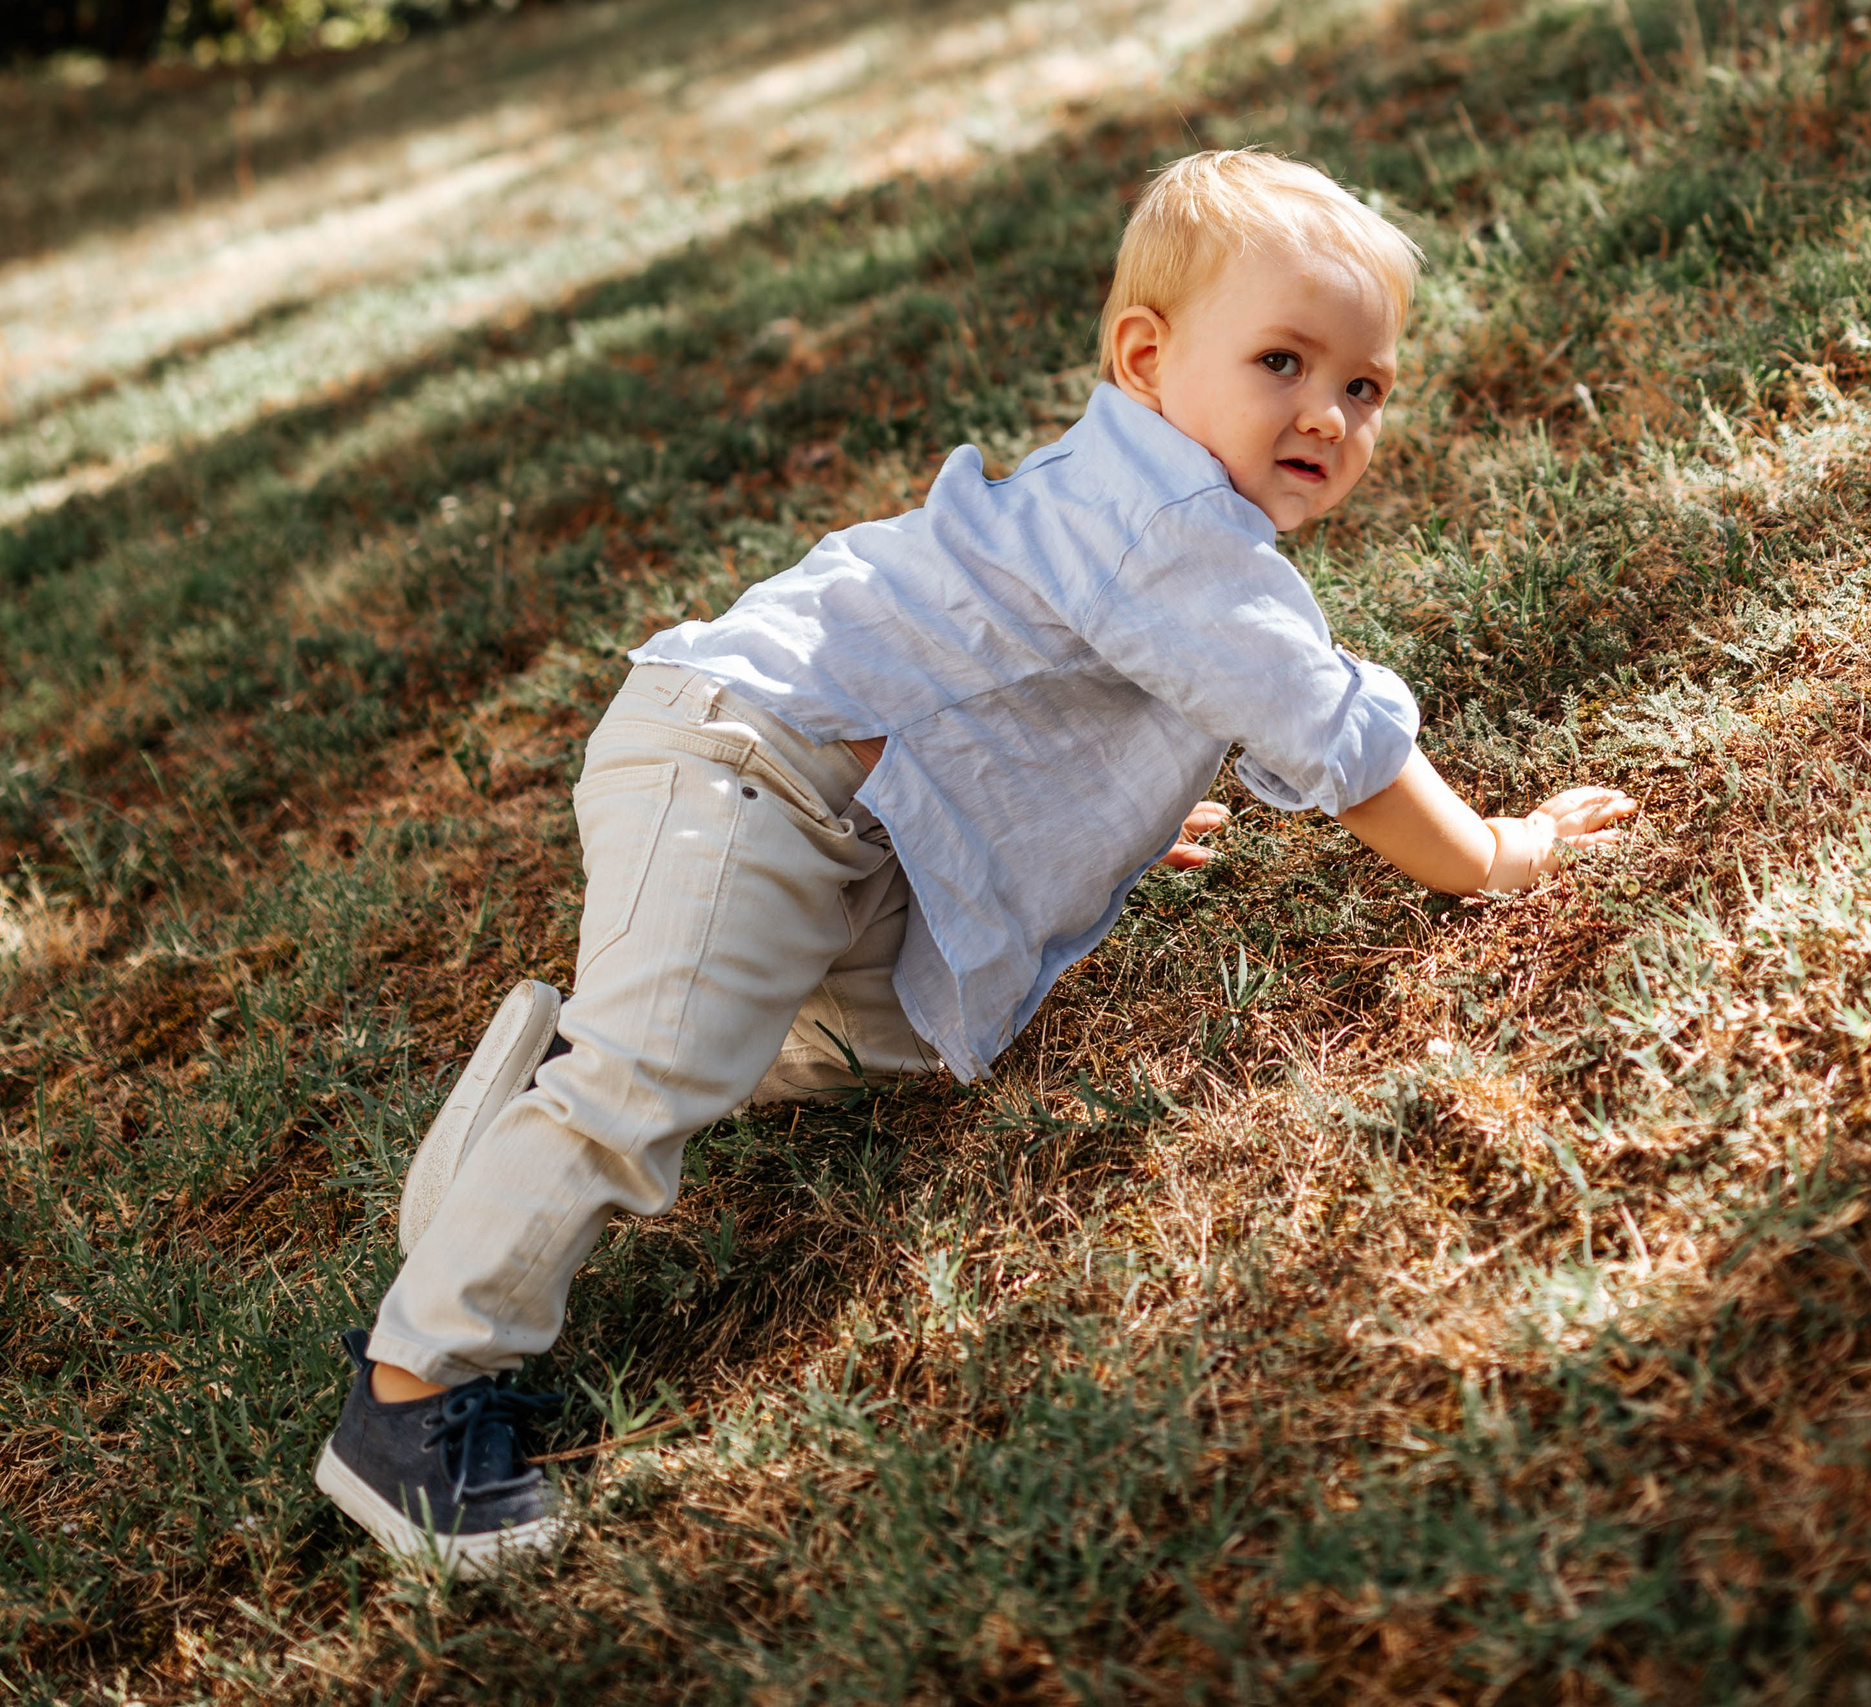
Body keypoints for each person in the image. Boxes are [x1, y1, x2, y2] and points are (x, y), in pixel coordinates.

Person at [314, 149, 1638, 1575]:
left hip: (833, 803)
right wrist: (1500, 855)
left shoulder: (1142, 497)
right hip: (755, 758)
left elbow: (1043, 688)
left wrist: (1096, 813)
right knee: (656, 1078)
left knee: (881, 1036)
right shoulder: (1175, 526)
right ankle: (412, 1396)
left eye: (1364, 385)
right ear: (1147, 356)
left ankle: (545, 1109)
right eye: (1281, 361)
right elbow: (1339, 744)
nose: (1327, 412)